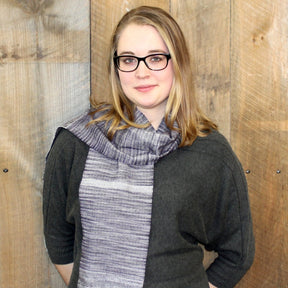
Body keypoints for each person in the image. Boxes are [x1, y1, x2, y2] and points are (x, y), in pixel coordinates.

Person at [43, 5, 255, 288]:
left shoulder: (210, 152)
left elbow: (238, 254)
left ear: (178, 62)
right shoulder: (75, 144)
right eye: (129, 60)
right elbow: (59, 240)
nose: (141, 72)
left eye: (156, 58)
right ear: (116, 67)